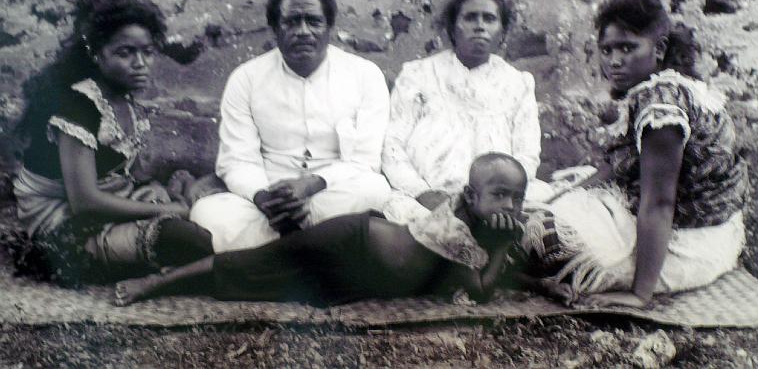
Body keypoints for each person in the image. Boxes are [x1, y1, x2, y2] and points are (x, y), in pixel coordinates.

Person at [517, 0, 748, 307]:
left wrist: (639, 295)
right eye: (607, 49)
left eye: (627, 48)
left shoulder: (661, 107)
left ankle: (518, 273)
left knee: (530, 234)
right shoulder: (664, 87)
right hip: (701, 231)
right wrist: (557, 198)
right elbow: (613, 167)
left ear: (659, 49)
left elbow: (660, 203)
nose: (614, 60)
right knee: (536, 203)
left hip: (688, 245)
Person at [114, 152, 528, 306]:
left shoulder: (477, 217)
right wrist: (504, 245)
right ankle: (158, 283)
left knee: (271, 289)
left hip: (362, 275)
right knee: (256, 263)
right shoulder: (455, 227)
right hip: (351, 243)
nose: (510, 206)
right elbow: (479, 291)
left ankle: (182, 281)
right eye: (500, 195)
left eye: (517, 198)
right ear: (470, 197)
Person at [11, 0, 213, 286]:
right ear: (96, 54)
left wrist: (173, 186)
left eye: (147, 52)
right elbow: (85, 202)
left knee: (206, 205)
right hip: (64, 218)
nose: (140, 63)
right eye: (125, 53)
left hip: (107, 198)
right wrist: (166, 208)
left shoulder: (125, 99)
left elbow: (122, 172)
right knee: (188, 238)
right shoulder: (79, 107)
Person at [190, 0, 392, 252]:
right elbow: (236, 160)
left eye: (313, 21)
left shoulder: (365, 75)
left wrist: (310, 185)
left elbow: (365, 160)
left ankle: (269, 253)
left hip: (331, 191)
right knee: (207, 213)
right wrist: (266, 199)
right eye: (291, 22)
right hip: (269, 197)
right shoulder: (246, 78)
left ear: (330, 27)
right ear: (274, 28)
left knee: (374, 188)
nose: (303, 31)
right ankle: (321, 247)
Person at [381, 0, 545, 224]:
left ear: (502, 32)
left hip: (496, 201)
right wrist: (421, 192)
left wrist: (497, 196)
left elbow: (526, 155)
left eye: (489, 19)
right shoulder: (418, 75)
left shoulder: (518, 83)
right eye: (470, 18)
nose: (480, 26)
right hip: (424, 196)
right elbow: (392, 145)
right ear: (452, 29)